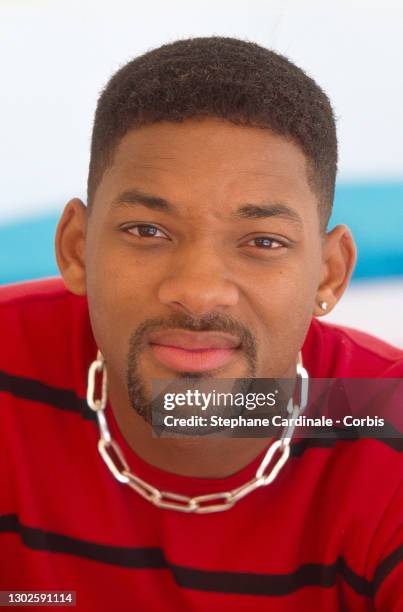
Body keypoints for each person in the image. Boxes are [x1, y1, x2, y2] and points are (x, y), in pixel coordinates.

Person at [0, 36, 402, 611]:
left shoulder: (384, 419)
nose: (197, 290)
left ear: (329, 275)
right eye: (147, 231)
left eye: (263, 241)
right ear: (76, 248)